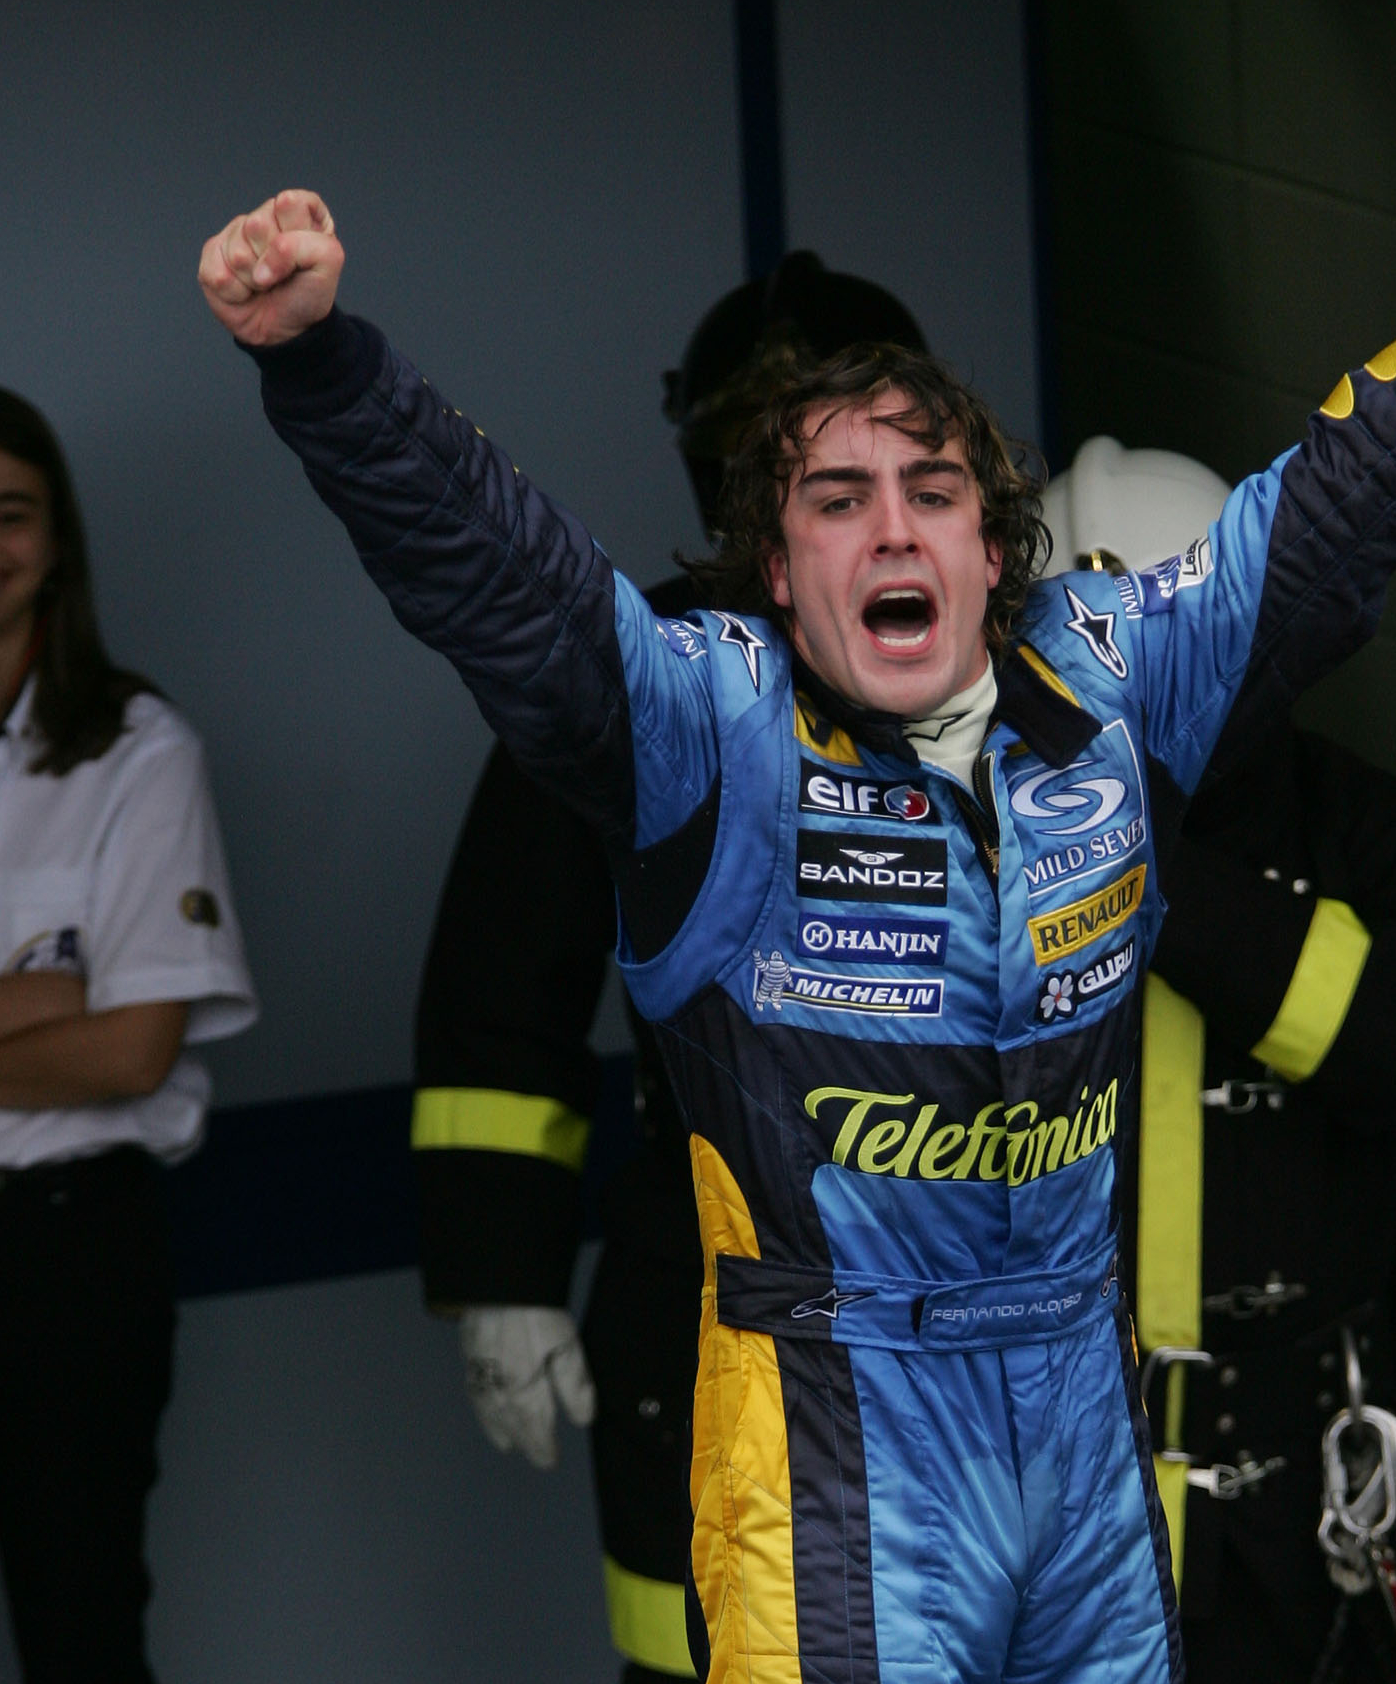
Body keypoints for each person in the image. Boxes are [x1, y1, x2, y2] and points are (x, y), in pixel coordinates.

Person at [201, 79, 1396, 1682]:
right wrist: (323, 365)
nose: (891, 532)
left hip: (1079, 1418)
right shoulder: (699, 730)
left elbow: (1375, 474)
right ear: (774, 568)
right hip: (834, 1433)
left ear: (996, 550)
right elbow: (495, 575)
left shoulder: (1117, 679)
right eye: (836, 500)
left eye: (932, 494)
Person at [412, 254, 926, 1684]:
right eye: (767, 452)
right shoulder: (631, 681)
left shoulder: (1001, 669)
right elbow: (504, 976)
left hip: (962, 1276)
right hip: (707, 1281)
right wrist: (501, 1273)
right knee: (701, 1639)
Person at [1046, 439, 1396, 1684]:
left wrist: (1150, 874)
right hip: (1057, 1499)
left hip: (1314, 1503)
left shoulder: (1387, 843)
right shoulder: (956, 853)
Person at [0, 385, 258, 1684]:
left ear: (57, 543)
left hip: (69, 1246)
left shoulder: (139, 752)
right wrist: (44, 997)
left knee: (81, 1625)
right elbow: (96, 1025)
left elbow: (132, 1054)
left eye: (9, 514)